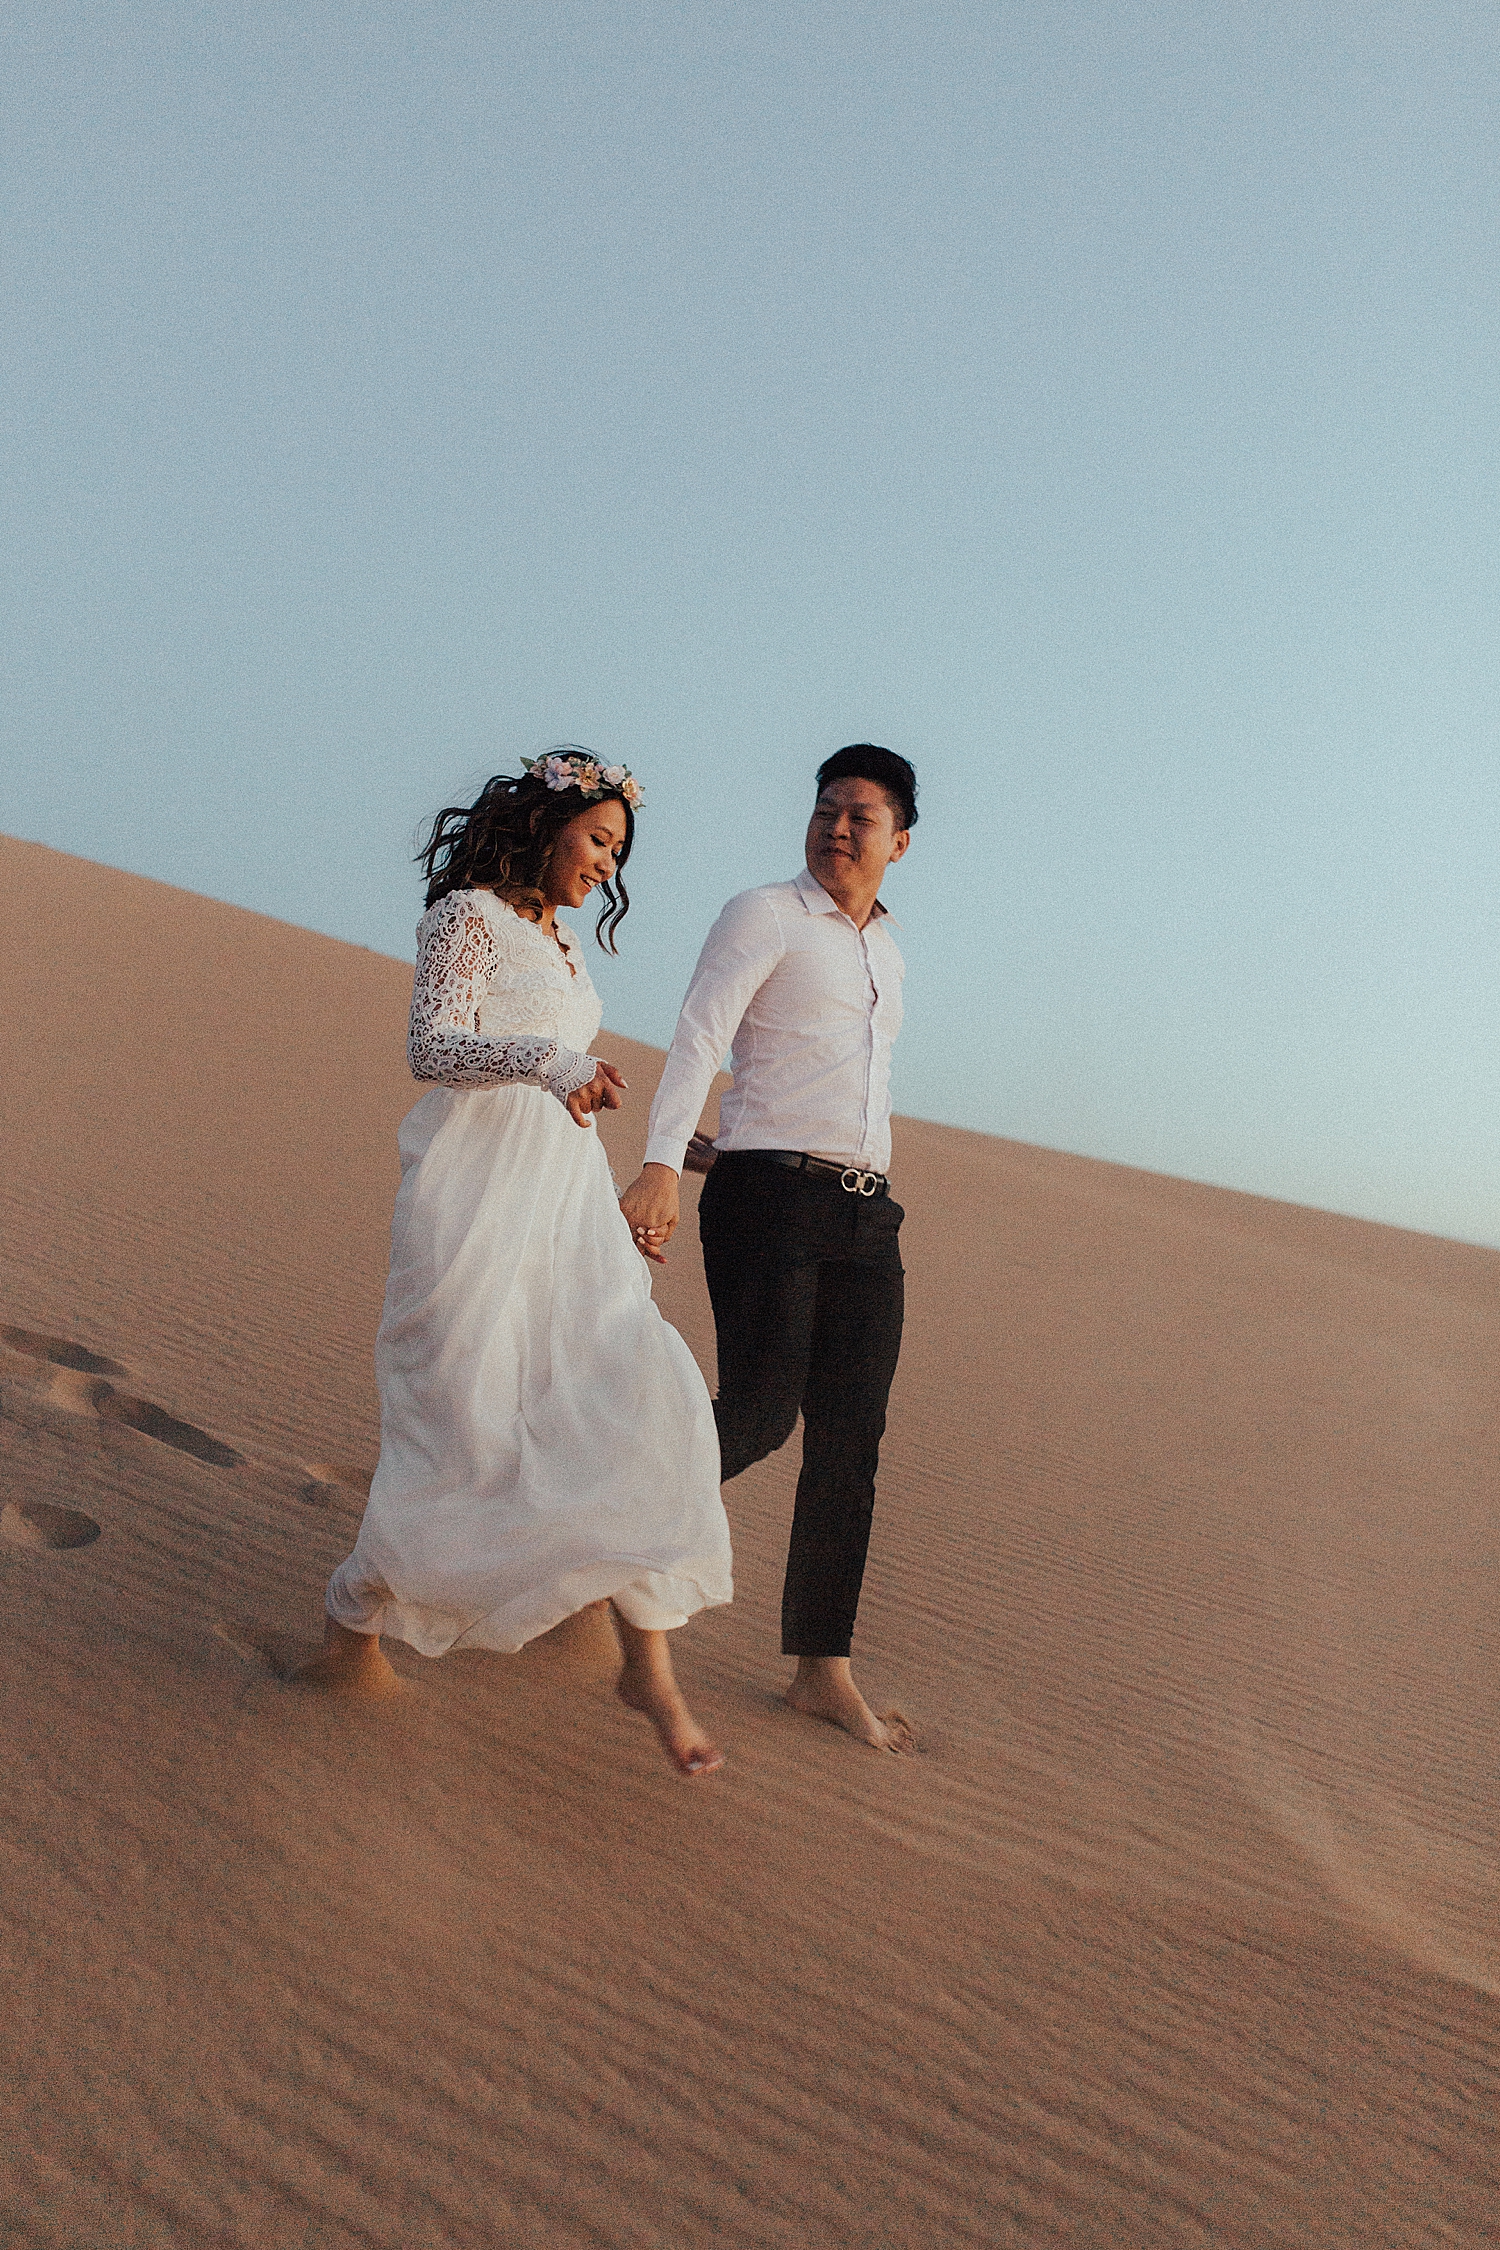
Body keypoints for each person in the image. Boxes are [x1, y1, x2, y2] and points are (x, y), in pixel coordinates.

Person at [300, 750, 733, 1777]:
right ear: (544, 823)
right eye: (597, 840)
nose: (606, 865)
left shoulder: (568, 945)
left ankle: (649, 1667)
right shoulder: (468, 919)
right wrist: (546, 1063)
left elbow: (571, 1086)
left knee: (629, 1389)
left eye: (619, 851)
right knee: (462, 1424)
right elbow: (433, 1045)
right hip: (471, 1204)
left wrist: (654, 1167)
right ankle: (347, 1629)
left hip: (567, 1204)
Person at [619, 744, 917, 1754]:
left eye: (860, 816)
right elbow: (703, 1035)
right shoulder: (765, 913)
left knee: (850, 1444)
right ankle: (601, 1526)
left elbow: (828, 1082)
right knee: (759, 1412)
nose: (837, 827)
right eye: (826, 809)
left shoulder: (890, 954)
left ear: (900, 842)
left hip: (864, 1212)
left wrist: (728, 1143)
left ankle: (820, 1670)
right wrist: (665, 1159)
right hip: (770, 1205)